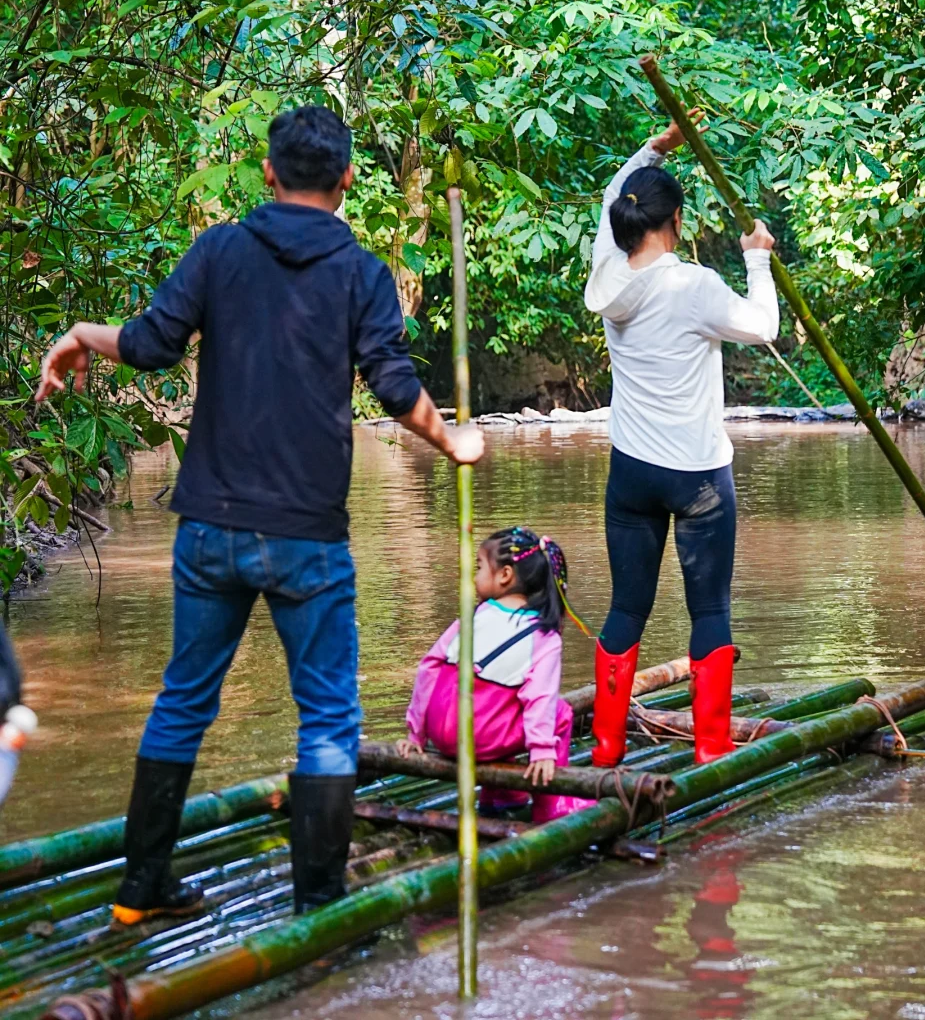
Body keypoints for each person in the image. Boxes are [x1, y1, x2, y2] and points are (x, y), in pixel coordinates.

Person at [36, 106, 484, 921]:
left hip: (209, 525)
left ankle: (139, 892)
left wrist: (77, 333)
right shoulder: (361, 272)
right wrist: (451, 441)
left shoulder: (221, 249)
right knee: (328, 715)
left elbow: (150, 342)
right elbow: (391, 384)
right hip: (307, 536)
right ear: (347, 180)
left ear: (268, 174)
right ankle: (316, 900)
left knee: (182, 700)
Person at [583, 115, 779, 768]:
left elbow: (616, 193)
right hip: (697, 479)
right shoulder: (693, 284)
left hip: (632, 475)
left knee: (625, 609)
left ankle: (606, 750)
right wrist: (757, 257)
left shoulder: (609, 274)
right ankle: (710, 749)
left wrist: (654, 147)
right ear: (673, 223)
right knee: (710, 610)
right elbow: (763, 325)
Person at [397, 526, 592, 825]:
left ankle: (500, 795)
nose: (474, 576)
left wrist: (416, 733)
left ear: (505, 575)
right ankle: (552, 804)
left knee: (500, 705)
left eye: (478, 567)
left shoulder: (474, 616)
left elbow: (429, 668)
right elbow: (540, 697)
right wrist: (541, 750)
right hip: (481, 738)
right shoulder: (543, 636)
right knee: (560, 712)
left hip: (441, 732)